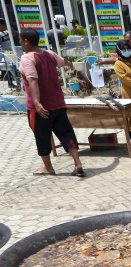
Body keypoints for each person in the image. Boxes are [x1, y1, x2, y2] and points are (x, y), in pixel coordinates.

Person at [17, 28, 84, 176]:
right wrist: (74, 66)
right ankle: (77, 163)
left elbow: (32, 80)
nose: (20, 43)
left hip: (41, 107)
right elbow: (64, 62)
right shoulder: (49, 54)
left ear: (26, 41)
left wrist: (36, 102)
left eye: (20, 40)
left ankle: (48, 167)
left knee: (42, 136)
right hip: (58, 103)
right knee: (66, 133)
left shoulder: (27, 58)